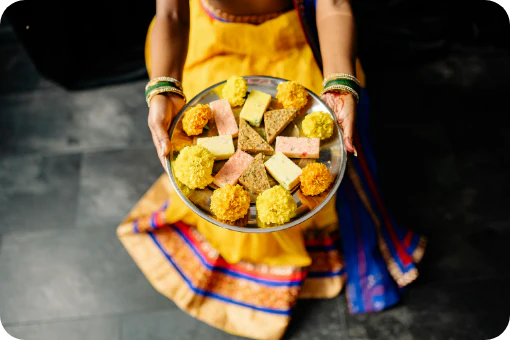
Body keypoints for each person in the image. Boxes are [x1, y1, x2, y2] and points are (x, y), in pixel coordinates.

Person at [117, 0, 426, 339]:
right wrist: (163, 87)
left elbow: (334, 5)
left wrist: (340, 81)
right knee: (215, 160)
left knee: (307, 157)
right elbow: (172, 15)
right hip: (210, 47)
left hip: (295, 42)